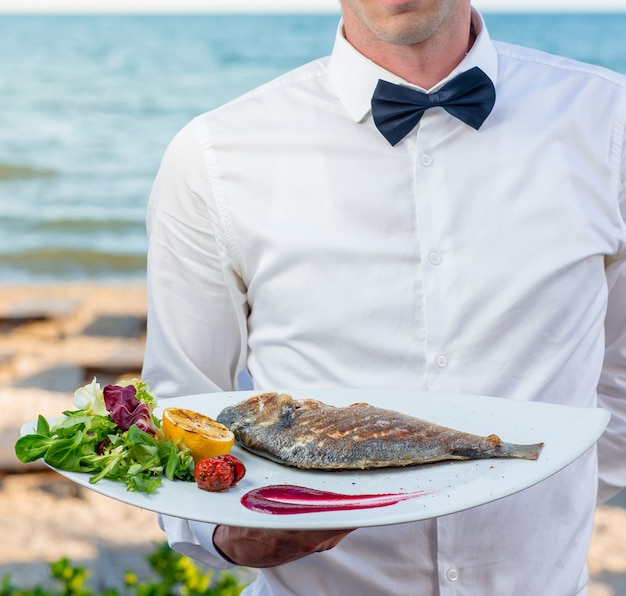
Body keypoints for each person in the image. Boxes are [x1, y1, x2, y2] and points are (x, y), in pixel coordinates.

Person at [142, 1, 626, 594]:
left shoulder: (611, 125)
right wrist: (225, 534)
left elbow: (620, 370)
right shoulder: (213, 157)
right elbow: (179, 405)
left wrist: (553, 493)